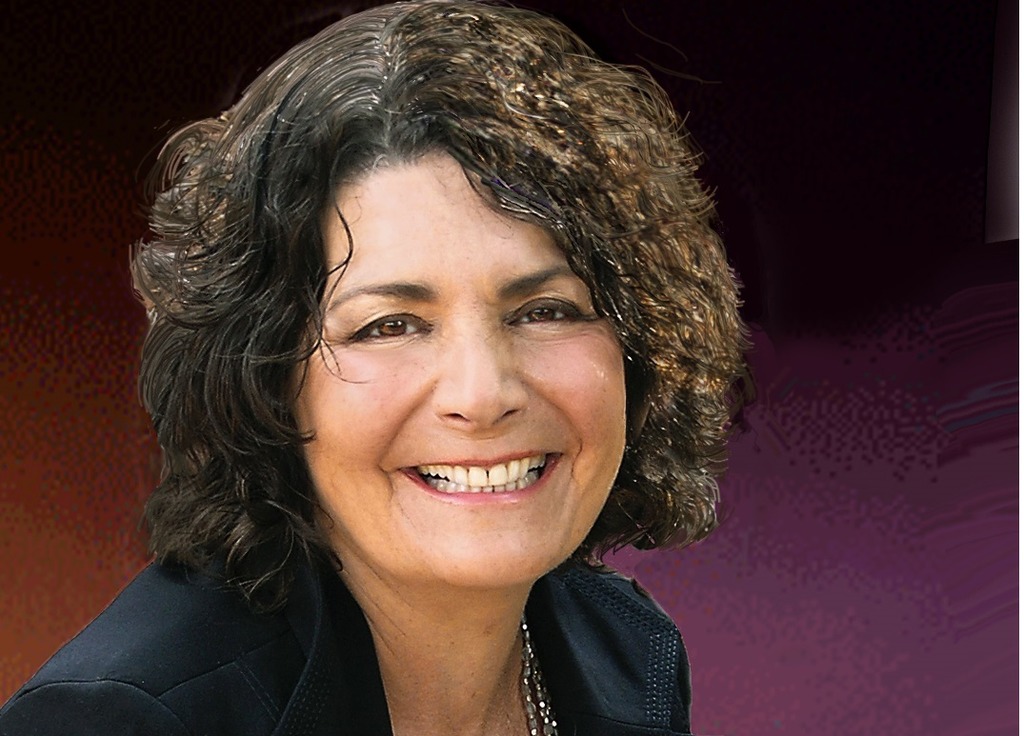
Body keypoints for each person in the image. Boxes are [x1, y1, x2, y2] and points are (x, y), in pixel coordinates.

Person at [0, 1, 746, 734]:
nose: (482, 393)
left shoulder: (628, 655)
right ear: (266, 381)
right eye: (389, 326)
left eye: (545, 311)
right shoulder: (127, 719)